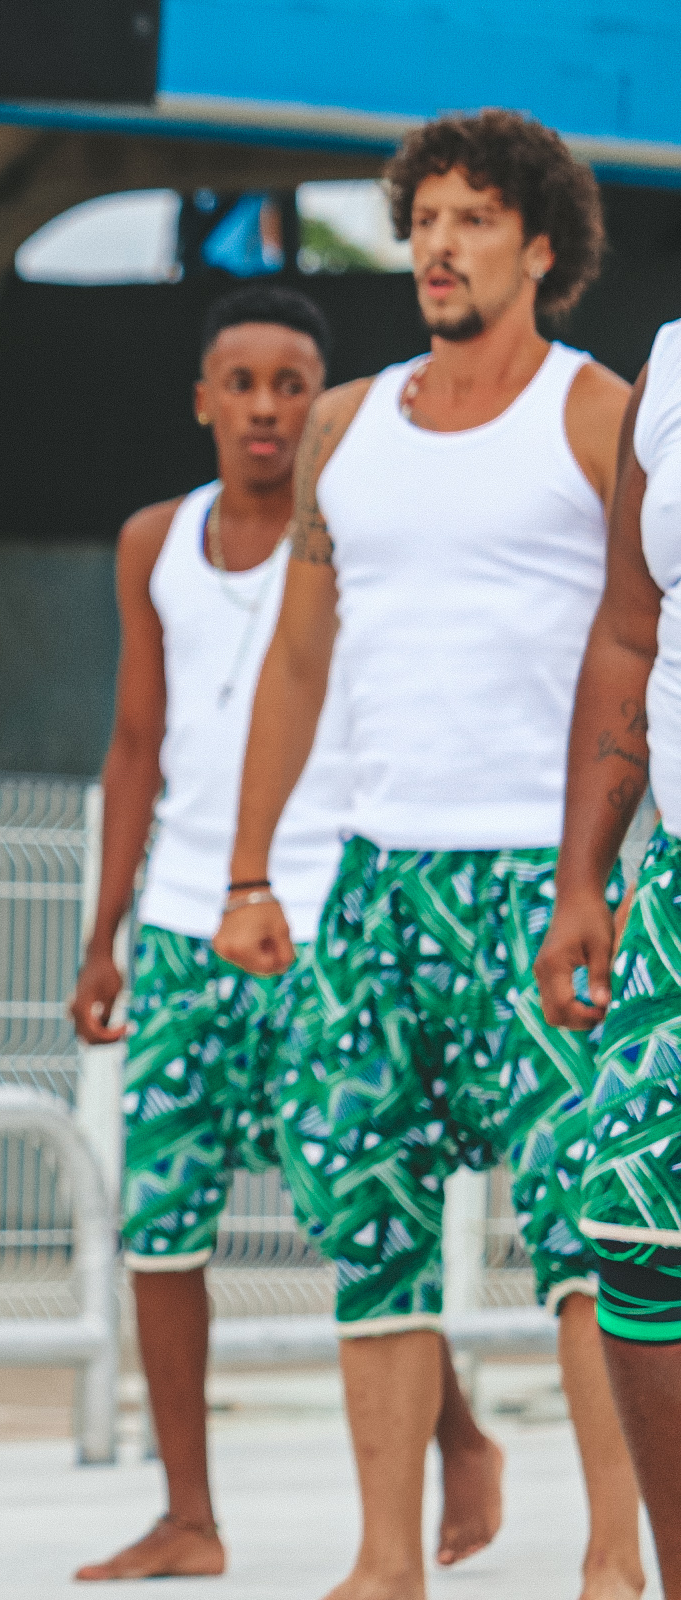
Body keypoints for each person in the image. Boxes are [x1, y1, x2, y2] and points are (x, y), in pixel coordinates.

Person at [218, 110, 643, 1600]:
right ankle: (385, 1561)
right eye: (424, 221)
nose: (439, 248)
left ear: (541, 246)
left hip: (547, 876)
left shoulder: (600, 416)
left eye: (473, 220)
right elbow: (296, 659)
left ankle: (614, 1552)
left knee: (586, 1212)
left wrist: (599, 869)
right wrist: (251, 870)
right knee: (358, 1195)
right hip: (380, 875)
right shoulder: (344, 426)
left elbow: (640, 635)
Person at [69, 284, 360, 1579]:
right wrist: (105, 934)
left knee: (357, 1200)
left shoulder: (355, 536)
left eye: (292, 383)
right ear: (203, 400)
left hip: (322, 912)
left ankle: (459, 1434)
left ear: (321, 405)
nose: (265, 407)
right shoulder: (155, 541)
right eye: (241, 382)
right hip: (186, 922)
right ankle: (189, 1516)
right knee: (162, 1219)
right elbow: (137, 742)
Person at [538, 313, 681, 1598]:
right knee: (635, 1230)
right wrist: (585, 869)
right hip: (678, 885)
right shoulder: (672, 371)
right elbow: (631, 631)